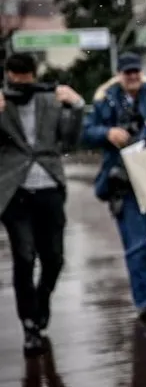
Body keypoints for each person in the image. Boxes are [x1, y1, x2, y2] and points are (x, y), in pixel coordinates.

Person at [81, 53, 146, 322]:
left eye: (136, 72)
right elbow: (85, 132)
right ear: (119, 74)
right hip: (124, 183)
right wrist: (107, 133)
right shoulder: (105, 100)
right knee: (136, 246)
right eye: (127, 72)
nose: (132, 77)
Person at [0, 53, 84, 356]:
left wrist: (76, 107)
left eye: (25, 80)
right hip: (13, 190)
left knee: (54, 258)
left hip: (49, 186)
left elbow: (71, 141)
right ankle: (29, 326)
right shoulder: (1, 102)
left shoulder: (49, 100)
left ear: (34, 76)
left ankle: (43, 296)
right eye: (14, 80)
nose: (20, 86)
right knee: (24, 257)